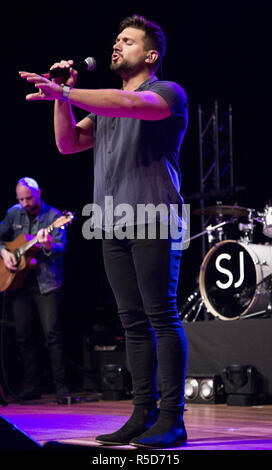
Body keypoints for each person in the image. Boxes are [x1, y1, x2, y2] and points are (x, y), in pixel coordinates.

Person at [19, 14, 189, 448]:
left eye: (127, 41)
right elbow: (67, 143)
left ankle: (172, 418)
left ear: (150, 55)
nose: (117, 45)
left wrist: (70, 91)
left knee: (161, 316)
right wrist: (62, 99)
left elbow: (130, 105)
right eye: (116, 39)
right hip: (111, 221)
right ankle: (142, 412)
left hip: (153, 215)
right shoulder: (103, 105)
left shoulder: (167, 92)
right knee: (132, 321)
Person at [0, 177, 70, 404]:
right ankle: (33, 384)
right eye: (21, 199)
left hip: (46, 283)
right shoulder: (14, 213)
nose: (25, 203)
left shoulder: (53, 217)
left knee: (52, 334)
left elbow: (60, 248)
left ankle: (61, 387)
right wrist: (5, 253)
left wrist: (48, 245)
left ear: (39, 192)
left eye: (29, 198)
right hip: (18, 284)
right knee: (23, 335)